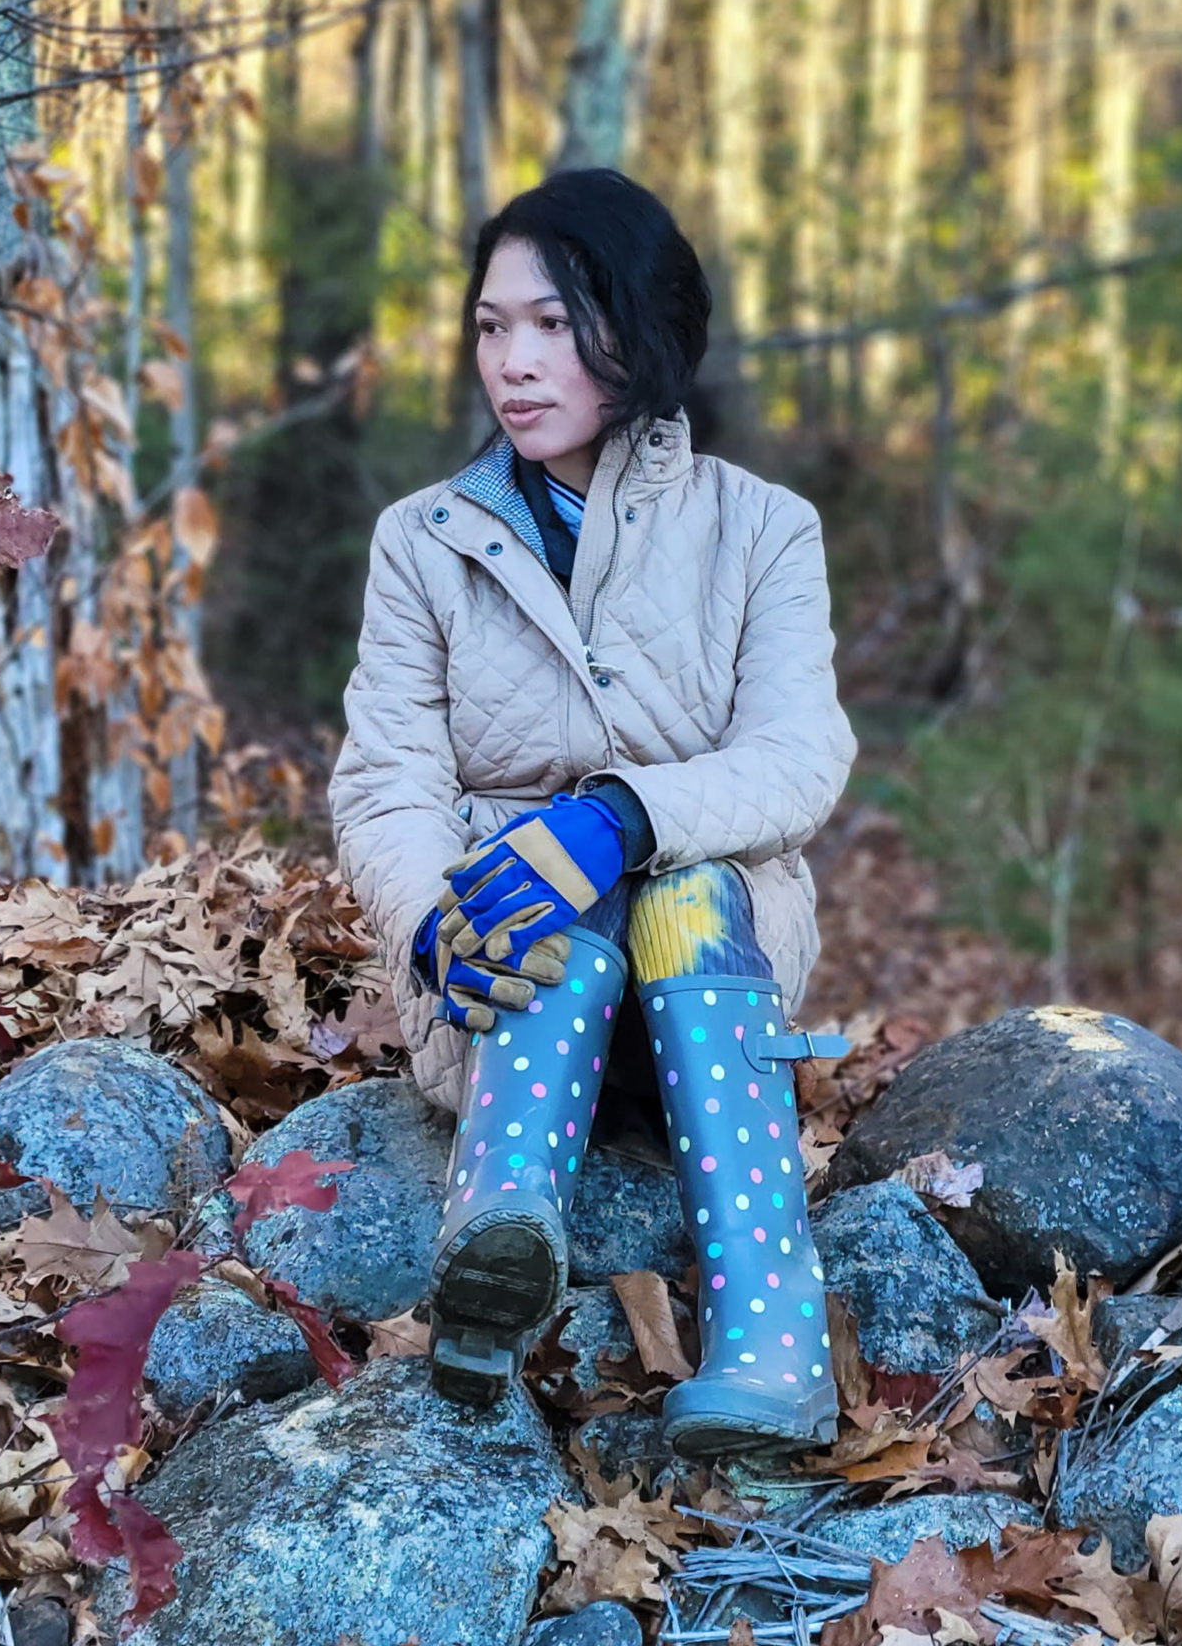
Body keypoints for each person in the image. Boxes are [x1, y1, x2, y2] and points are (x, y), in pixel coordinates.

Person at [328, 166, 858, 1458]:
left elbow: (801, 755)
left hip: (708, 970)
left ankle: (772, 1345)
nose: (511, 362)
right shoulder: (422, 541)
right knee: (525, 868)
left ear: (639, 324)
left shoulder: (761, 529)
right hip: (509, 978)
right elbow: (387, 780)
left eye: (552, 324)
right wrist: (432, 926)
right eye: (491, 326)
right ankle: (494, 1248)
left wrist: (620, 820)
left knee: (678, 886)